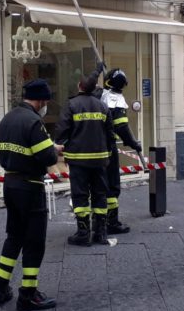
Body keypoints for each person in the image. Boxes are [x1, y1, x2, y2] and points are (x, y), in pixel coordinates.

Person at [0, 79, 61, 311]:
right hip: (30, 186)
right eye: (46, 101)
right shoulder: (34, 121)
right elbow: (47, 158)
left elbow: (21, 148)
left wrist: (49, 147)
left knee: (14, 236)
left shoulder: (7, 118)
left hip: (10, 183)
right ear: (41, 100)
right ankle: (28, 294)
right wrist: (53, 149)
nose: (45, 105)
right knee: (34, 242)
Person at [56, 67, 115, 246]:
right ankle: (101, 233)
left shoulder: (71, 105)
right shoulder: (103, 107)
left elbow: (62, 132)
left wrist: (59, 145)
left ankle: (83, 233)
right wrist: (108, 155)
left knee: (80, 196)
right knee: (100, 195)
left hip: (78, 160)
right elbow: (110, 135)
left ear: (79, 86)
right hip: (100, 161)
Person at [98, 68, 142, 234]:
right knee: (112, 186)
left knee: (97, 186)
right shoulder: (117, 101)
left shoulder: (99, 95)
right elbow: (122, 127)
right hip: (108, 148)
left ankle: (98, 222)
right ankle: (112, 222)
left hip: (94, 147)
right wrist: (133, 144)